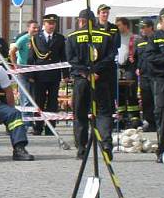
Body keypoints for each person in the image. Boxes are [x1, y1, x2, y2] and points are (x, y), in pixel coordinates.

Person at [66, 9, 117, 160]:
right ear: (94, 20)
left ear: (81, 21)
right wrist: (96, 71)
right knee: (103, 113)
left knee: (80, 114)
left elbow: (71, 59)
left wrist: (85, 73)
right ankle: (106, 144)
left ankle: (81, 148)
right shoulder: (106, 36)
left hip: (82, 80)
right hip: (100, 78)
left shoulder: (72, 37)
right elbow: (111, 56)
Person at [144, 6, 164, 162]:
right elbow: (150, 58)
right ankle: (162, 150)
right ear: (161, 21)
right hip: (162, 81)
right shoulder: (155, 37)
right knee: (162, 115)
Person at [27, 13, 67, 136]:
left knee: (52, 102)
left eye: (53, 23)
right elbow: (31, 58)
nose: (51, 26)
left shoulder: (59, 38)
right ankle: (38, 127)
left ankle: (50, 127)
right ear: (44, 24)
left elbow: (63, 57)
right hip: (39, 75)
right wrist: (30, 75)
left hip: (54, 75)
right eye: (49, 23)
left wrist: (65, 74)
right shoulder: (35, 38)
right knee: (39, 100)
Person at [9, 19, 39, 121]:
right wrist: (15, 65)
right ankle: (26, 122)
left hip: (35, 69)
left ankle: (32, 120)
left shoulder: (39, 39)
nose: (36, 29)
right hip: (23, 68)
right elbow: (12, 51)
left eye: (37, 28)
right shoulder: (23, 39)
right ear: (28, 28)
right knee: (25, 96)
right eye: (34, 27)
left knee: (33, 96)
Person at [115, 17, 141, 129]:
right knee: (119, 92)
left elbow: (140, 54)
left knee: (131, 91)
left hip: (130, 67)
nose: (117, 27)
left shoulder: (135, 38)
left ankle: (134, 117)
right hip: (118, 67)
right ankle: (121, 117)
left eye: (119, 25)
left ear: (125, 25)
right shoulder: (115, 37)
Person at [135, 18, 157, 132]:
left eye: (144, 27)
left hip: (155, 74)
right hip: (144, 75)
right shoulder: (139, 41)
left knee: (157, 100)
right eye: (141, 27)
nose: (142, 29)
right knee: (146, 100)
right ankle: (150, 123)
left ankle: (160, 122)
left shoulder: (156, 38)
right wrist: (137, 67)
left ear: (150, 27)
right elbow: (136, 57)